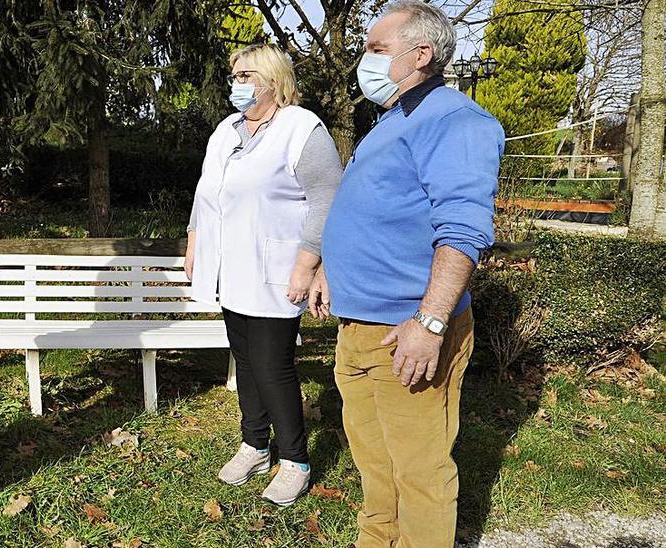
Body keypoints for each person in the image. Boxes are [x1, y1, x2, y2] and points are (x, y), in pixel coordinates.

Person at [314, 2, 504, 546]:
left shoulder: (455, 121)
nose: (364, 60)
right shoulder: (394, 119)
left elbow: (463, 231)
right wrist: (331, 267)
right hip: (358, 326)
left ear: (420, 54)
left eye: (376, 49)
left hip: (406, 332)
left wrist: (431, 322)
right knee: (375, 465)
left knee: (419, 473)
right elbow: (369, 210)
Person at [185, 44, 343, 507]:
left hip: (279, 269)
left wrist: (308, 263)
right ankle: (254, 444)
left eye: (247, 74)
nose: (238, 83)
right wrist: (195, 242)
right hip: (232, 269)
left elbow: (326, 198)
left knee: (274, 367)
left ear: (274, 81)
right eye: (234, 75)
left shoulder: (301, 127)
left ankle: (294, 459)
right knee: (246, 361)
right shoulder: (225, 131)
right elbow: (205, 192)